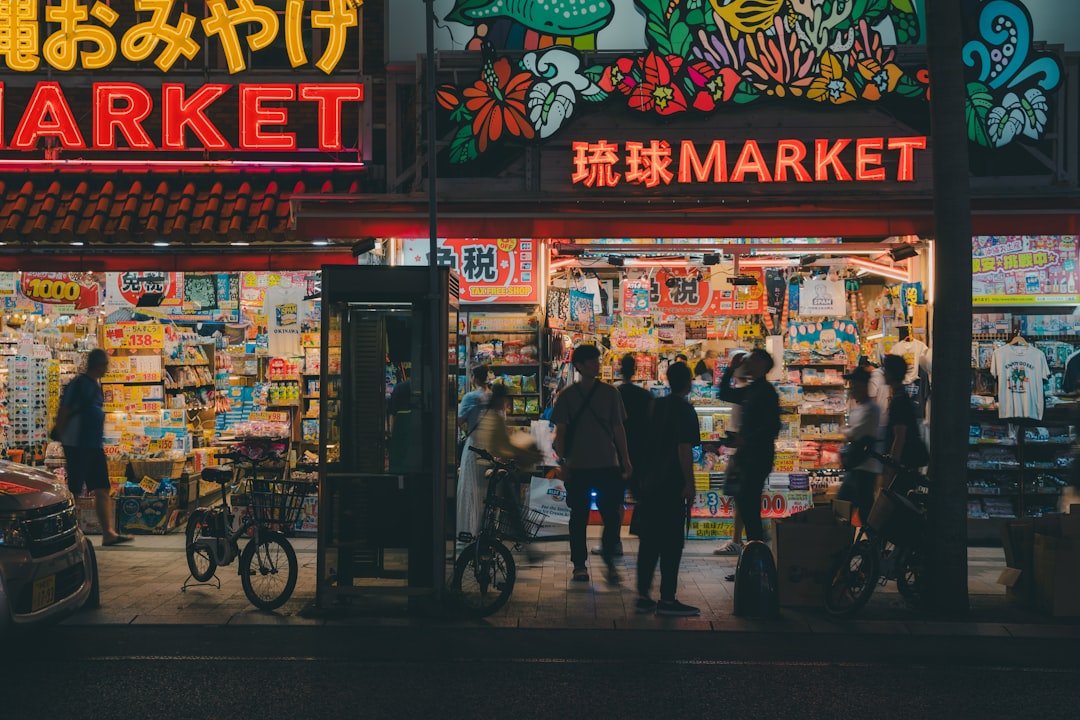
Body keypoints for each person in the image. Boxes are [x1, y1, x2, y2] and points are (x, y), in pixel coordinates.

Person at [552, 345, 633, 584]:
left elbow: (619, 429)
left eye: (597, 360)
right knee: (580, 517)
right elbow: (561, 433)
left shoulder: (611, 393)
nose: (597, 364)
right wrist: (563, 461)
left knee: (609, 517)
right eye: (592, 361)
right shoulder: (567, 395)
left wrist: (626, 459)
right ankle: (579, 565)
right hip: (580, 465)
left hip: (607, 463)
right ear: (578, 366)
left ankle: (608, 561)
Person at [634, 362, 700, 616]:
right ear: (689, 382)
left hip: (650, 482)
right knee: (672, 543)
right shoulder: (685, 410)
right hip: (671, 484)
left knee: (649, 541)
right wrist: (689, 484)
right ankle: (668, 599)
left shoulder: (655, 405)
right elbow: (684, 450)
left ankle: (642, 595)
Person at [55, 349, 130, 546]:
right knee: (75, 490)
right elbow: (64, 410)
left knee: (102, 487)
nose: (107, 369)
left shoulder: (94, 385)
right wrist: (62, 436)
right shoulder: (79, 384)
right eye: (106, 365)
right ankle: (71, 532)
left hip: (93, 445)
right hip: (78, 445)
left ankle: (108, 533)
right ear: (99, 365)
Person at [594, 354, 653, 559]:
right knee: (643, 499)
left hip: (617, 453)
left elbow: (609, 425)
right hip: (642, 454)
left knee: (614, 502)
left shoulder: (613, 392)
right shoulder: (646, 396)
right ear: (636, 369)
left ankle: (614, 542)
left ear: (619, 368)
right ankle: (647, 542)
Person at [719, 349, 780, 545]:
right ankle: (755, 556)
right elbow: (724, 393)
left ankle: (758, 555)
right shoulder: (753, 389)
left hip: (758, 457)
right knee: (747, 507)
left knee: (749, 507)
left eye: (751, 360)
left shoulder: (767, 392)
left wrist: (745, 440)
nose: (747, 363)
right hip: (749, 456)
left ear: (762, 364)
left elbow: (772, 427)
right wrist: (731, 369)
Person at [473, 383, 543, 554]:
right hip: (494, 468)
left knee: (498, 507)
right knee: (511, 505)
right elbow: (500, 447)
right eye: (505, 399)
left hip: (485, 467)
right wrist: (523, 452)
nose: (506, 402)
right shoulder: (494, 418)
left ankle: (506, 540)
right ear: (500, 399)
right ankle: (523, 542)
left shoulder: (486, 415)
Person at [714, 351, 749, 556]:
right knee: (742, 498)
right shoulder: (746, 391)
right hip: (741, 451)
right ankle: (740, 540)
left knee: (742, 498)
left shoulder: (746, 392)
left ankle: (742, 541)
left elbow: (722, 393)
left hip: (743, 453)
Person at [837, 366, 881, 524]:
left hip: (864, 469)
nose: (852, 389)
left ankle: (874, 545)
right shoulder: (861, 408)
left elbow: (855, 432)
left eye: (854, 385)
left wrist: (846, 431)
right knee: (849, 509)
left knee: (855, 510)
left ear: (863, 386)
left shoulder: (872, 409)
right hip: (857, 467)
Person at [456, 366, 490, 543]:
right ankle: (486, 530)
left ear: (474, 378)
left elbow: (458, 420)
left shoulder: (471, 397)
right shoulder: (493, 397)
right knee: (486, 491)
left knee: (470, 489)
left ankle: (469, 530)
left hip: (474, 446)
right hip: (490, 448)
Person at [881, 355, 928, 483]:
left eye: (885, 370)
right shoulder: (901, 395)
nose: (883, 373)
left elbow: (899, 437)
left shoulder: (899, 400)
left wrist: (891, 468)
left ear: (891, 373)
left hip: (903, 464)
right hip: (906, 462)